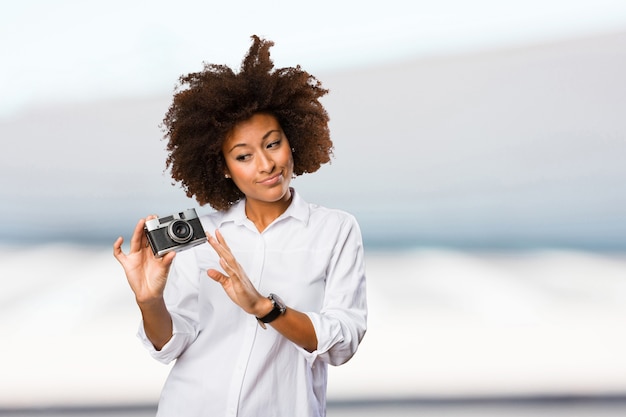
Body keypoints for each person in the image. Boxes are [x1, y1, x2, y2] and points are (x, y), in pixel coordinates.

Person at [113, 35, 367, 417]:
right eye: (244, 156)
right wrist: (149, 302)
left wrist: (265, 308)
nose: (265, 165)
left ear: (293, 142)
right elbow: (170, 344)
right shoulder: (199, 235)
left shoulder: (335, 230)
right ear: (225, 169)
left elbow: (342, 343)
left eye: (273, 143)